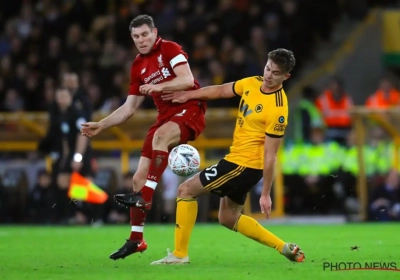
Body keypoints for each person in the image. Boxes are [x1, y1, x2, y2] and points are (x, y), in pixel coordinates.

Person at [146, 48, 305, 264]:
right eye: (268, 68)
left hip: (244, 165)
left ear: (286, 76)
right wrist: (188, 95)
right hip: (238, 162)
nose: (268, 75)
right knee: (228, 218)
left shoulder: (278, 109)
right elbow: (221, 90)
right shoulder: (252, 82)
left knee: (185, 190)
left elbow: (271, 155)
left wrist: (266, 194)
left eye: (276, 73)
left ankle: (180, 254)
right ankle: (283, 247)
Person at [80, 15, 206, 260]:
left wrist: (160, 88)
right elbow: (129, 109)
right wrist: (101, 125)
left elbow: (187, 80)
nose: (141, 40)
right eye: (136, 36)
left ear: (154, 32)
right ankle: (136, 239)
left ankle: (145, 197)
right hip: (165, 116)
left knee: (159, 138)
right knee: (138, 178)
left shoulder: (169, 48)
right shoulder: (138, 66)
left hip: (189, 107)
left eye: (145, 34)